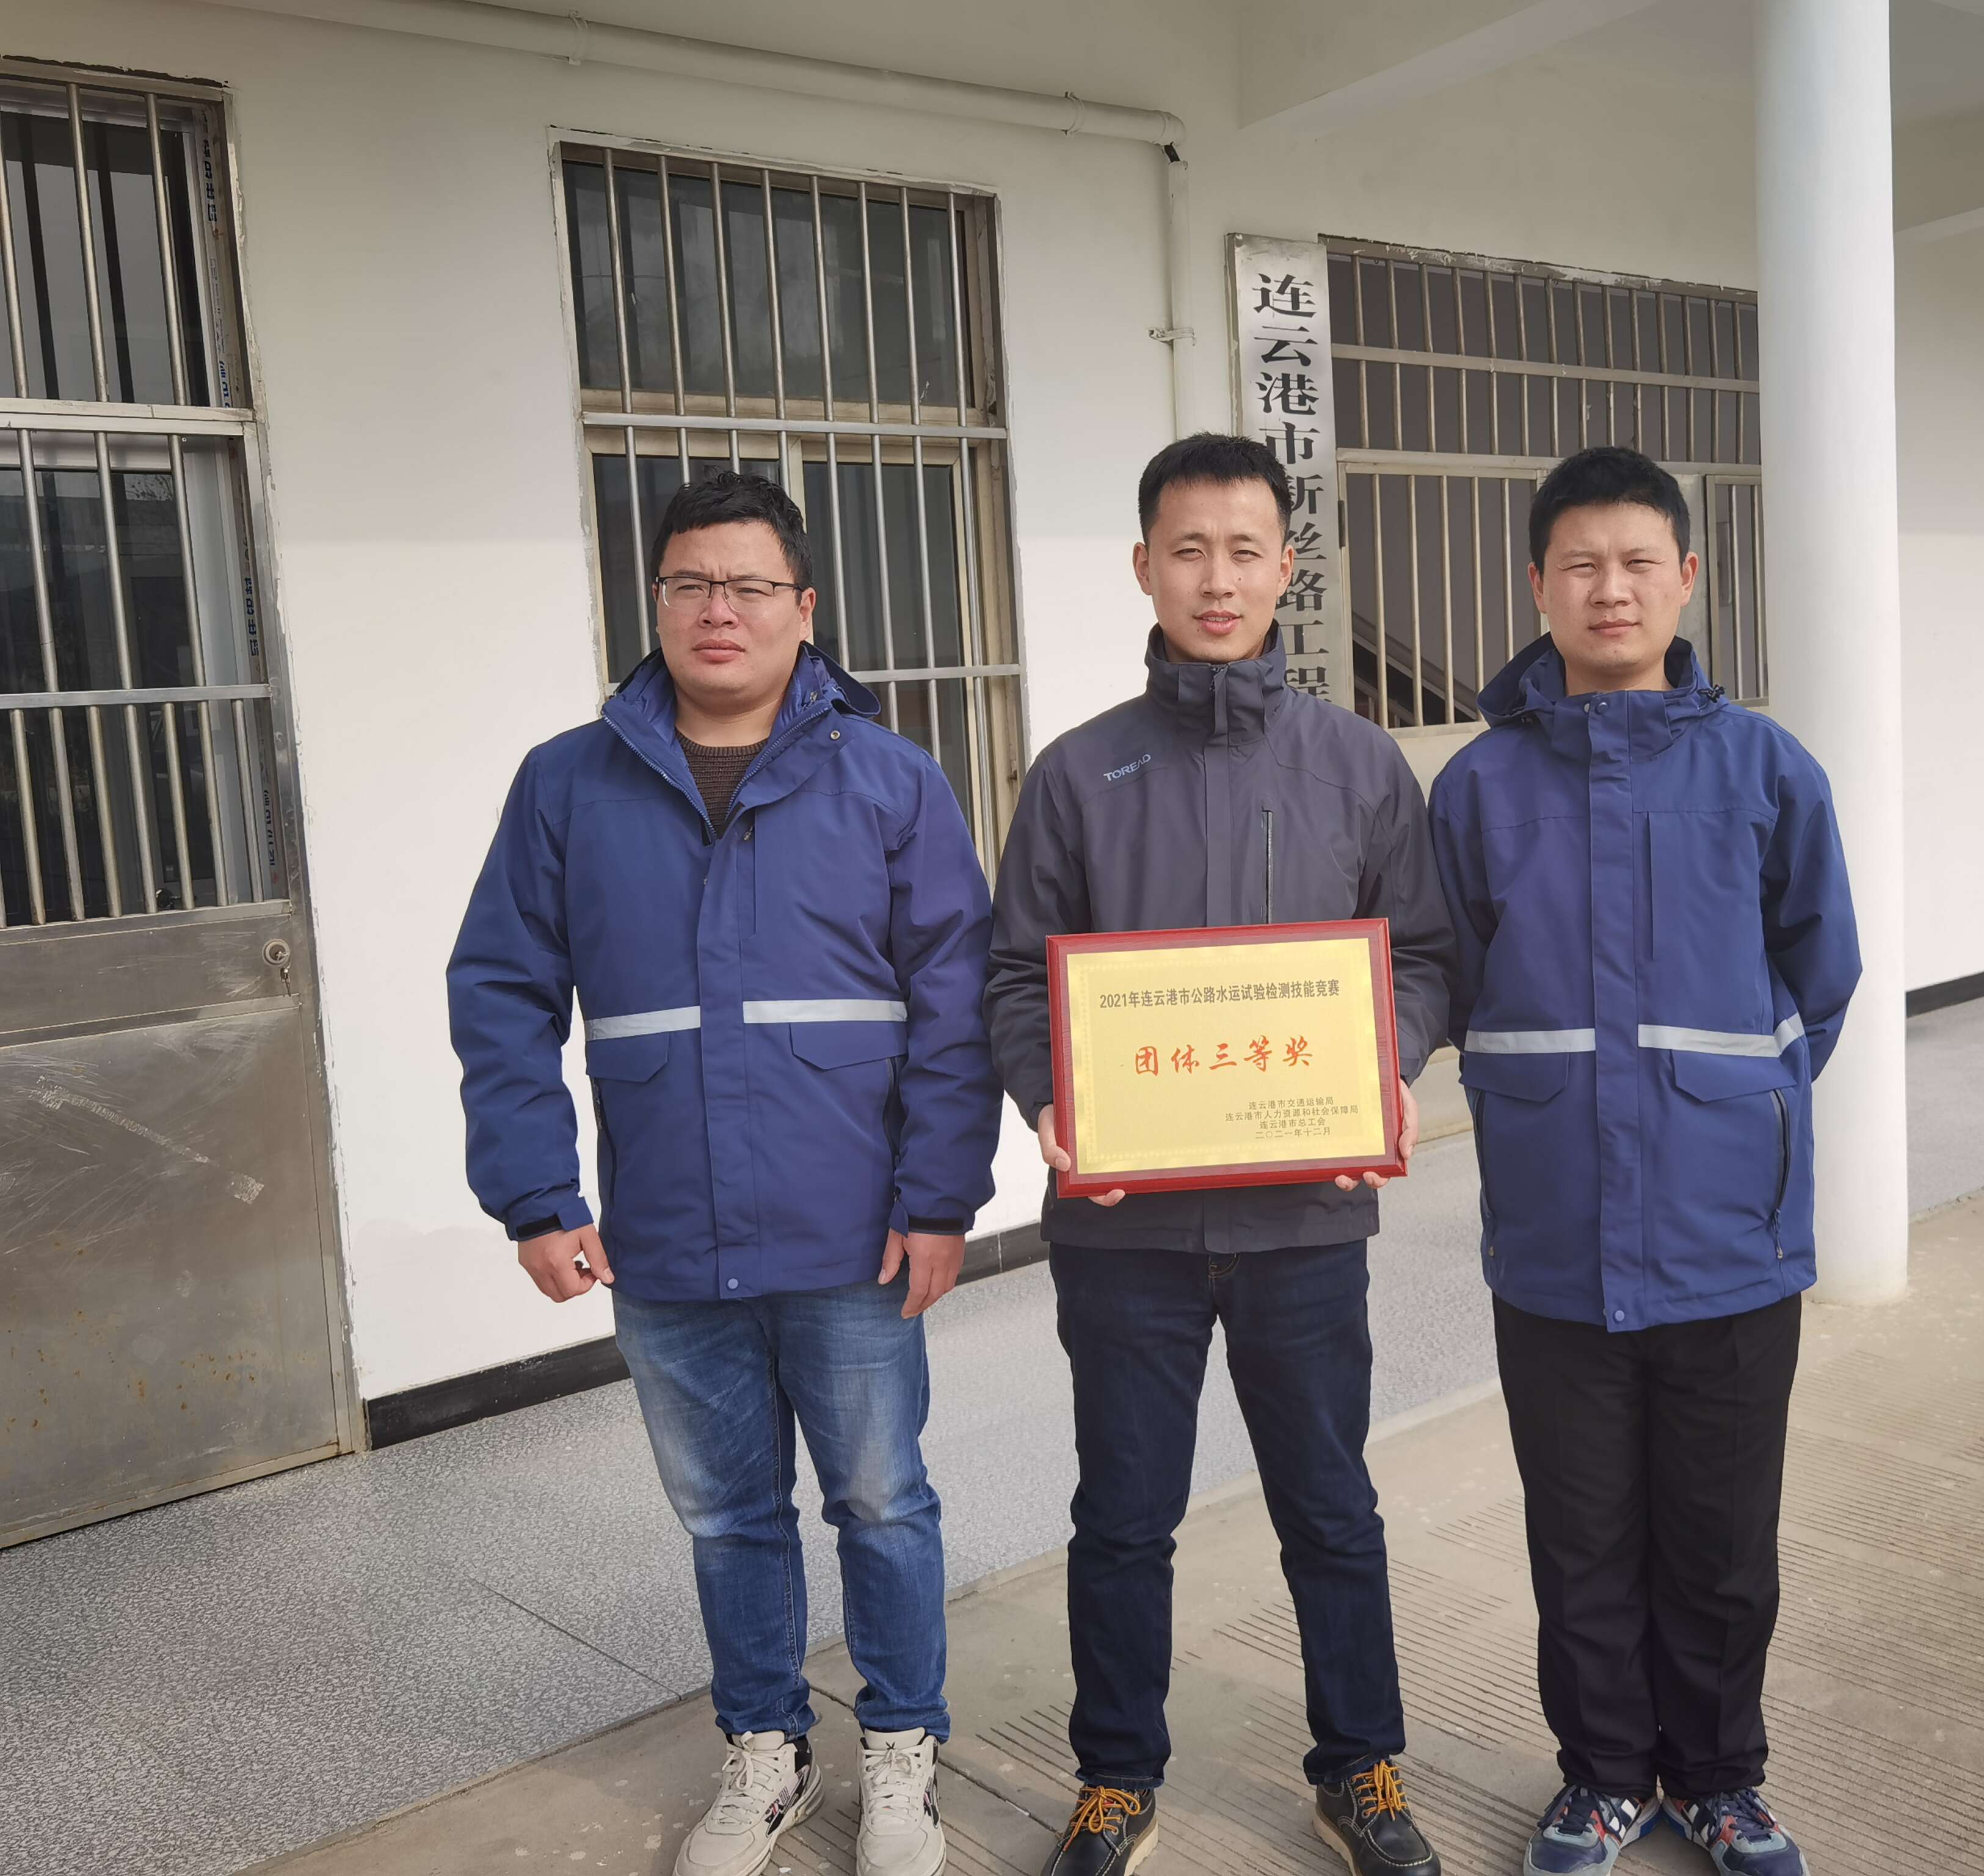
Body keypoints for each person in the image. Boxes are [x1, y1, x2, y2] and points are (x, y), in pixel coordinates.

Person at [448, 471, 1000, 1876]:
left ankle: (901, 1747)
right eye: (690, 583)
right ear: (654, 602)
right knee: (726, 1515)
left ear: (803, 609)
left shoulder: (889, 778)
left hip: (851, 1231)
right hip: (667, 1233)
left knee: (880, 1501)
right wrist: (535, 1192)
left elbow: (953, 999)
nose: (719, 611)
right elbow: (501, 988)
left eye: (750, 586)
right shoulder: (567, 782)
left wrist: (941, 1195)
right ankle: (766, 1745)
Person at [983, 434, 1459, 1876]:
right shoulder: (1078, 774)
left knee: (1329, 1505)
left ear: (1283, 568)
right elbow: (1015, 976)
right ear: (1143, 566)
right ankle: (1114, 1775)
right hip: (1121, 1229)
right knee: (1122, 1516)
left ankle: (1358, 1767)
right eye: (1186, 549)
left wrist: (1386, 1062)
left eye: (1243, 549)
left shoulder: (1355, 765)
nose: (1215, 577)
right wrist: (1049, 1096)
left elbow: (1422, 954)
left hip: (1303, 1218)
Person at [1428, 447, 1859, 1876]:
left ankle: (1720, 1780)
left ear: (1685, 577)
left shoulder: (1764, 770)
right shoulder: (1478, 787)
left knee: (1721, 1543)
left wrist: (1739, 1117)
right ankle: (1605, 1776)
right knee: (1580, 1538)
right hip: (1554, 1236)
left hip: (1727, 1235)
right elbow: (1451, 979)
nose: (1607, 589)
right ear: (1536, 586)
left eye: (1635, 562)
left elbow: (1819, 978)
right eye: (1578, 565)